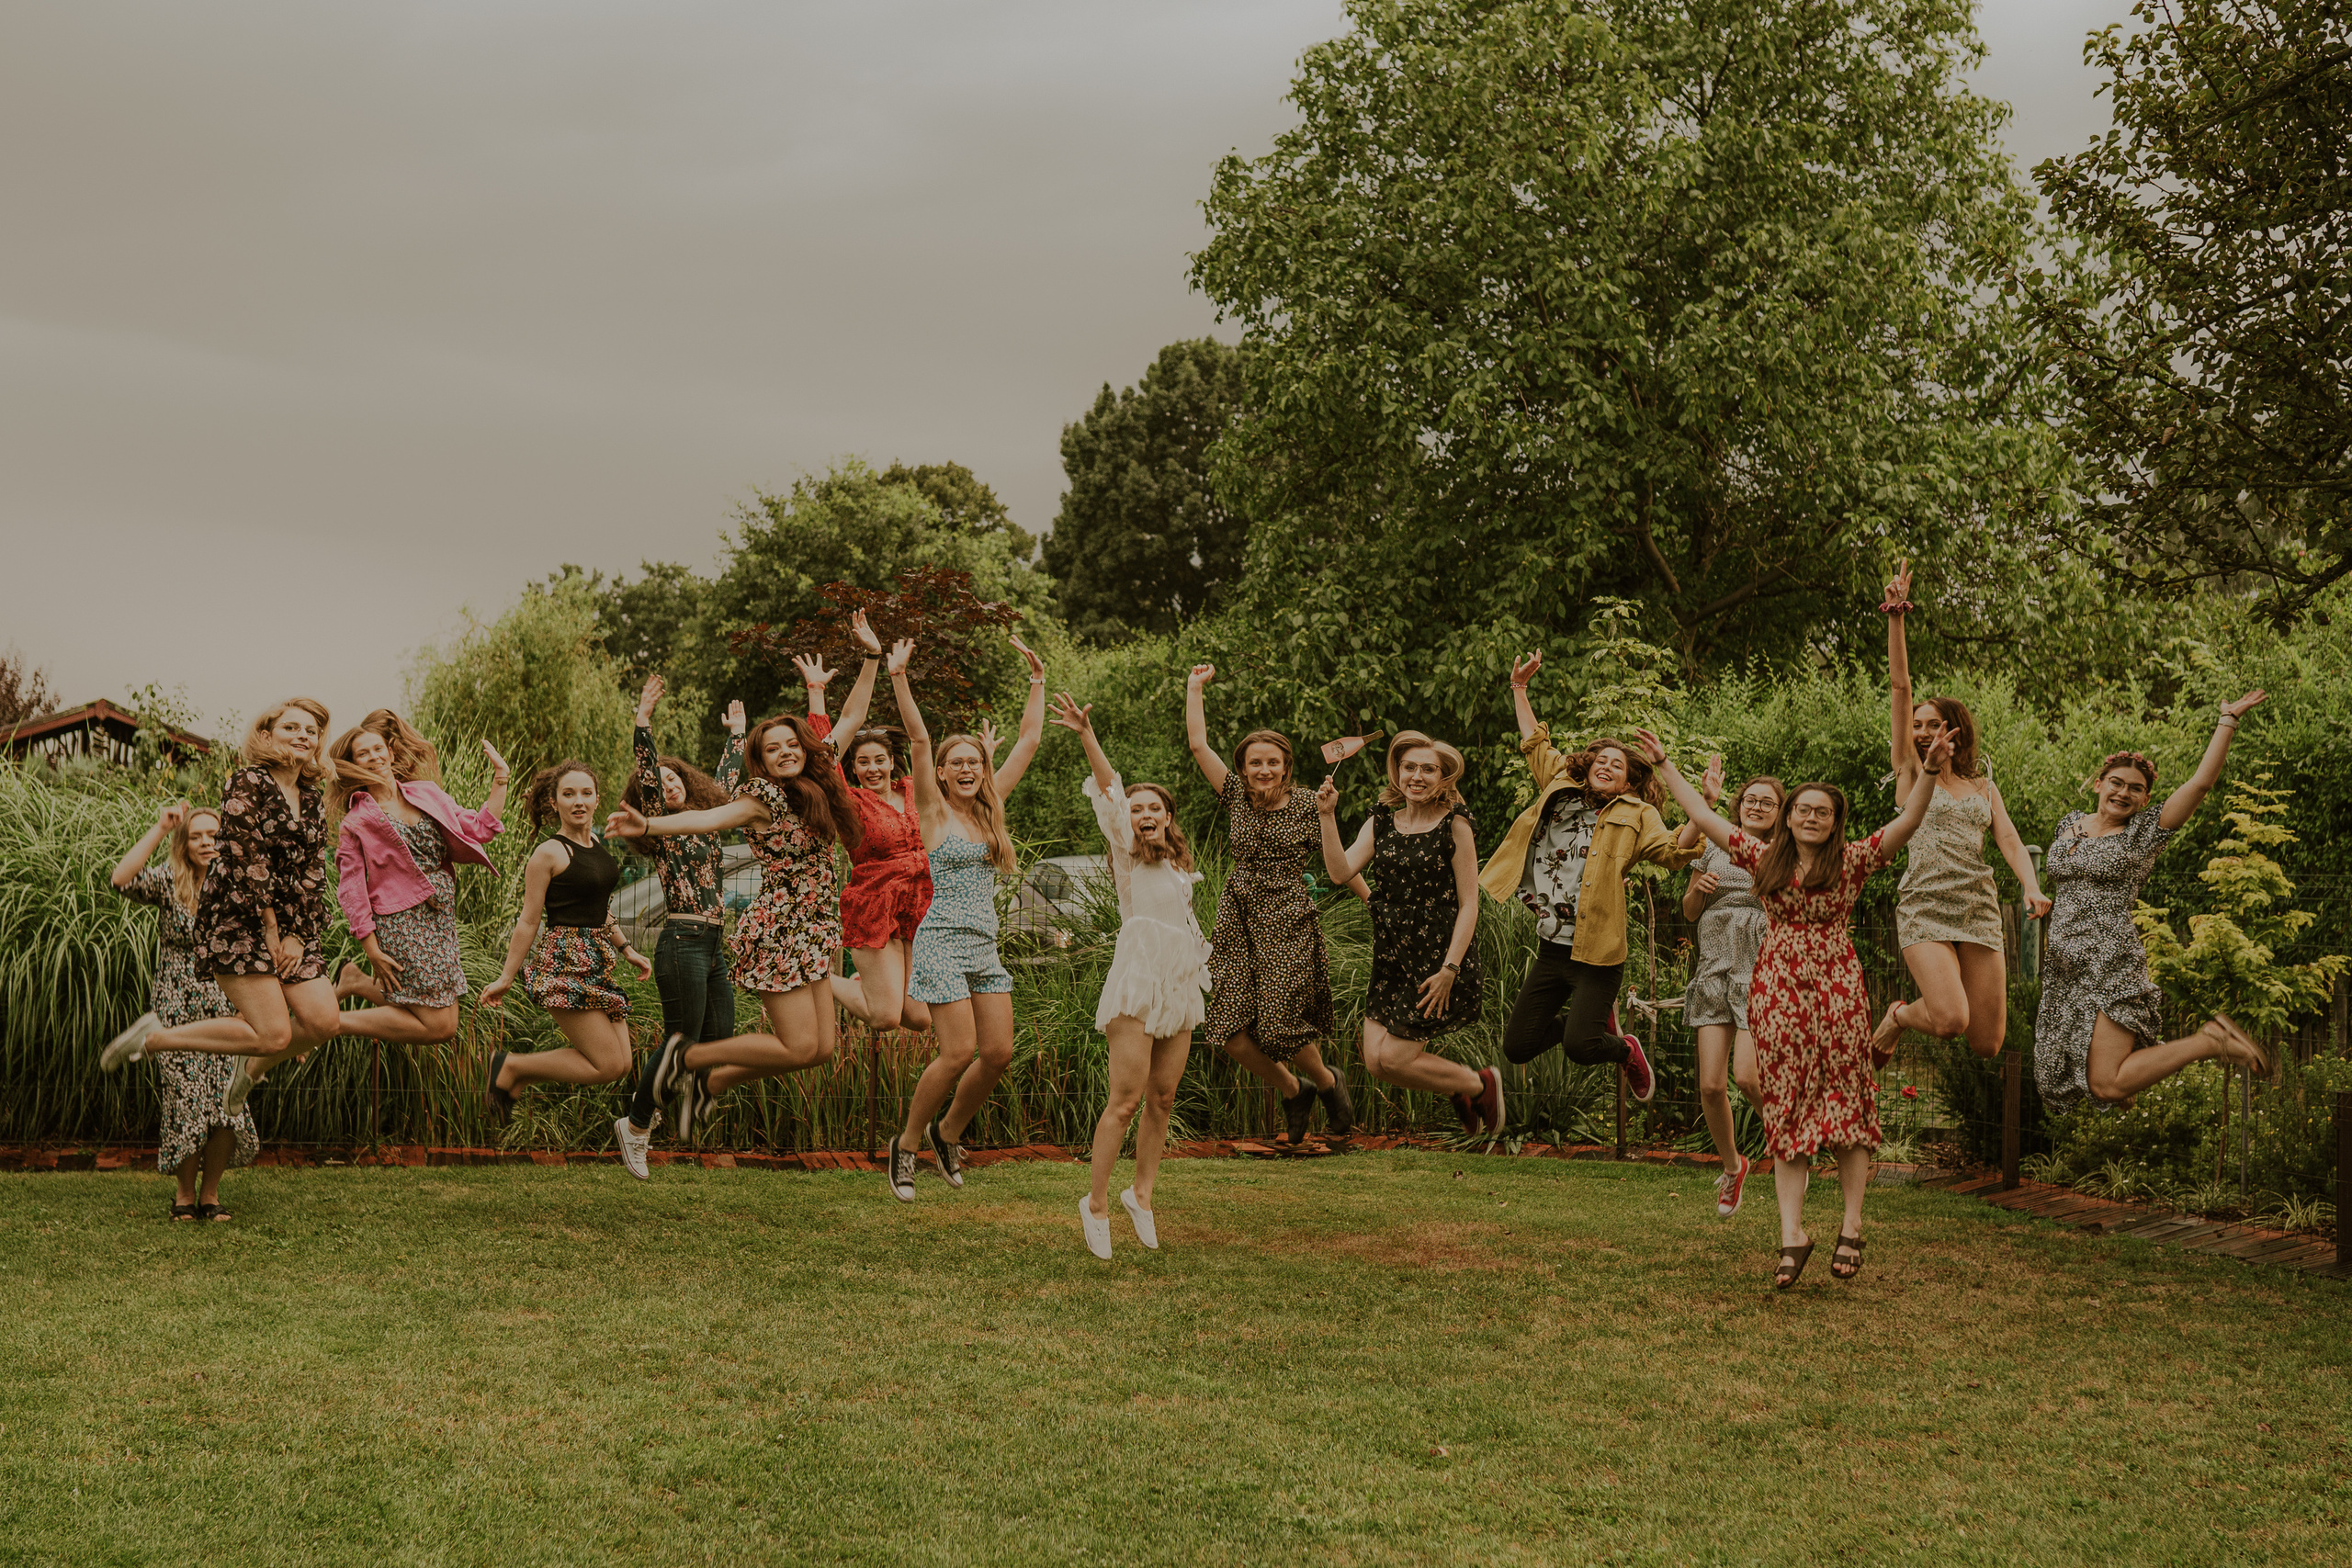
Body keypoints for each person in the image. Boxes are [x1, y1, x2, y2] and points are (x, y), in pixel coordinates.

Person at [1639, 727, 1947, 1289]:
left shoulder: (1853, 861)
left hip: (1838, 992)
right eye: (1802, 809)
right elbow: (1704, 821)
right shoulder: (1762, 858)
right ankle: (1792, 1236)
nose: (1810, 818)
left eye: (1821, 812)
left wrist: (1927, 772)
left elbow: (1906, 825)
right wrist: (1664, 765)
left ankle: (1852, 1226)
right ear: (1788, 817)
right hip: (1777, 991)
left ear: (1834, 822)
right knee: (1785, 1107)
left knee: (1847, 1104)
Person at [605, 709, 865, 1178]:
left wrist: (873, 661)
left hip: (796, 929)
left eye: (792, 744)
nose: (786, 752)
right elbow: (707, 817)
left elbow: (848, 722)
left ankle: (705, 1083)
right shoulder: (759, 798)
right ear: (761, 763)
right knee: (792, 1044)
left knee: (821, 1049)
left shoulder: (808, 789)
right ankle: (675, 1076)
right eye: (773, 748)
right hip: (753, 932)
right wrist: (646, 823)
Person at [1479, 653, 1701, 1107]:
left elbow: (1674, 852)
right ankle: (1596, 1027)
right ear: (1589, 764)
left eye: (1617, 765)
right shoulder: (1559, 784)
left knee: (1582, 1048)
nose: (1606, 765)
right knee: (1518, 1044)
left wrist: (1702, 809)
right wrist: (1519, 689)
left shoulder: (1639, 814)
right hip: (1552, 946)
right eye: (1601, 759)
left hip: (1599, 953)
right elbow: (1534, 743)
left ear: (1628, 781)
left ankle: (1621, 1048)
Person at [103, 699, 343, 1117]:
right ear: (266, 736)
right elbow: (249, 858)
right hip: (239, 922)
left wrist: (297, 936)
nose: (304, 735)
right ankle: (157, 1037)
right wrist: (271, 928)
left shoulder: (312, 797)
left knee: (324, 1023)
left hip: (290, 927)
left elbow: (312, 871)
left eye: (311, 730)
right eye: (292, 727)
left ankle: (248, 1072)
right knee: (273, 1035)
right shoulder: (247, 781)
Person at [2035, 695, 2273, 1111]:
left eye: (2136, 789)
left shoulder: (2143, 834)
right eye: (2117, 782)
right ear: (2099, 783)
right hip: (2065, 968)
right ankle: (2188, 1049)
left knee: (2108, 1085)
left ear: (2145, 800)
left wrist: (2227, 720)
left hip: (2109, 961)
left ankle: (2209, 1041)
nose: (2124, 792)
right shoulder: (2069, 824)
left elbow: (2199, 784)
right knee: (2081, 1079)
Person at [883, 633, 1049, 1201]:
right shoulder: (933, 811)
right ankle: (905, 1147)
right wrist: (899, 677)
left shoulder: (991, 810)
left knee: (998, 1053)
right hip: (940, 939)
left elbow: (1028, 740)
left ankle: (946, 1132)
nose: (966, 769)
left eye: (974, 761)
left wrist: (1036, 680)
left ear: (983, 767)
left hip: (983, 943)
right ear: (945, 773)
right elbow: (919, 738)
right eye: (957, 763)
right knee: (956, 1053)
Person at [1050, 693, 1211, 1258]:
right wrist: (1086, 735)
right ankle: (1094, 1203)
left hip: (1180, 984)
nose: (1144, 814)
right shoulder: (1126, 852)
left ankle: (1140, 1194)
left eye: (1154, 809)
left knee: (1163, 1098)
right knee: (1125, 1099)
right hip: (1138, 982)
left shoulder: (1179, 865)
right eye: (1137, 808)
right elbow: (1109, 792)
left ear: (1168, 817)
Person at [1872, 562, 2050, 1061]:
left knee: (1987, 1042)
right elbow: (1900, 687)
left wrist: (2031, 885)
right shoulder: (1910, 771)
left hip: (1978, 905)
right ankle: (1899, 1016)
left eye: (1933, 723)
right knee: (1949, 1019)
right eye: (1917, 724)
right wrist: (1896, 614)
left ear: (1956, 730)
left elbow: (2010, 842)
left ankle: (1908, 1017)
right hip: (1926, 902)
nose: (1922, 730)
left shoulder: (1982, 785)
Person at [1184, 663, 1364, 1147]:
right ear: (1243, 769)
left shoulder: (1310, 802)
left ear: (1286, 766)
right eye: (1254, 763)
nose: (1263, 770)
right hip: (1238, 912)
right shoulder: (1237, 798)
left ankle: (1328, 1083)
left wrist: (1371, 900)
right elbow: (1200, 745)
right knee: (1229, 1028)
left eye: (1273, 762)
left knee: (1280, 1020)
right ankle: (1294, 1089)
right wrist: (1194, 688)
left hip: (1287, 913)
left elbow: (1338, 866)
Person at [1316, 732, 1500, 1138]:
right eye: (1409, 767)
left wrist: (1450, 969)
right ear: (1397, 772)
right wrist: (1327, 816)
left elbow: (1470, 903)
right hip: (1392, 954)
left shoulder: (1455, 825)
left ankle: (1479, 1084)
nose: (1417, 776)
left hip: (1438, 957)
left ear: (1444, 777)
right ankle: (1461, 1089)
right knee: (1376, 1063)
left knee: (1396, 1060)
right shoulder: (1381, 820)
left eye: (1428, 769)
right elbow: (1339, 872)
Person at [105, 801, 257, 1221]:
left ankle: (211, 1195)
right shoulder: (170, 881)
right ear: (184, 844)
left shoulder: (239, 888)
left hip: (230, 1005)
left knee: (228, 1105)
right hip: (176, 1005)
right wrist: (160, 826)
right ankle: (184, 1196)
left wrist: (257, 1010)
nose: (207, 842)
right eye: (197, 836)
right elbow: (120, 879)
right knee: (186, 1101)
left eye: (214, 835)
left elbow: (258, 953)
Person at [479, 762, 652, 1120]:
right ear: (554, 802)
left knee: (620, 1065)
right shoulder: (549, 853)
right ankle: (511, 1067)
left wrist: (628, 949)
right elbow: (529, 921)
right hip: (565, 961)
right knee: (605, 1066)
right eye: (568, 794)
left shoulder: (599, 847)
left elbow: (599, 909)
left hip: (598, 960)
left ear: (597, 799)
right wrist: (506, 978)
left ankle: (517, 1070)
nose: (578, 802)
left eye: (586, 794)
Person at [326, 712, 510, 1047]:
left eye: (378, 748)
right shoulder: (357, 822)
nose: (374, 757)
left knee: (446, 1022)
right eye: (362, 753)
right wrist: (371, 948)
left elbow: (479, 829)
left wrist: (501, 779)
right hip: (400, 921)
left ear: (391, 754)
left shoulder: (426, 793)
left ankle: (354, 983)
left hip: (439, 918)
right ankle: (333, 1023)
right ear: (353, 764)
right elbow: (351, 890)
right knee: (439, 1026)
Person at [801, 610, 933, 1035]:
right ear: (853, 769)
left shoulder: (915, 791)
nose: (873, 768)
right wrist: (817, 695)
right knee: (884, 1019)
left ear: (892, 763)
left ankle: (868, 983)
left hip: (918, 904)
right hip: (873, 903)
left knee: (920, 1018)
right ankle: (824, 978)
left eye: (880, 760)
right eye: (863, 762)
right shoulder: (849, 801)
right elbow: (823, 751)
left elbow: (927, 746)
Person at [621, 675, 748, 1090]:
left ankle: (684, 1109)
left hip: (713, 943)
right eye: (659, 782)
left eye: (673, 776)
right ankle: (638, 1119)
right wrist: (643, 721)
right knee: (681, 1042)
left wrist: (737, 736)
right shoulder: (662, 828)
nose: (668, 782)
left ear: (685, 780)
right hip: (683, 940)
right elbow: (648, 772)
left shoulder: (706, 818)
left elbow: (724, 782)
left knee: (719, 1040)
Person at [1672, 760, 1780, 1216]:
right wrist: (1700, 888)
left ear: (1780, 811)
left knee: (1748, 1077)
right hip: (1714, 968)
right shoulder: (1716, 844)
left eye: (1767, 802)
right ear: (1739, 805)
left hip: (1758, 970)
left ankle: (1792, 1138)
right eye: (1751, 799)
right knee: (1712, 1086)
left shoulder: (1784, 852)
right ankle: (1734, 1168)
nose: (1756, 806)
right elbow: (1690, 911)